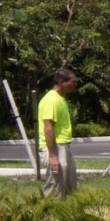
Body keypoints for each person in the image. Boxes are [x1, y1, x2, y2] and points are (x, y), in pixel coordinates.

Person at [37, 68, 80, 198]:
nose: (75, 85)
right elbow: (48, 128)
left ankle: (67, 214)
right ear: (61, 81)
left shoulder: (60, 99)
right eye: (72, 82)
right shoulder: (52, 100)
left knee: (68, 187)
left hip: (63, 147)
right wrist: (53, 156)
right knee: (55, 188)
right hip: (57, 147)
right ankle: (47, 213)